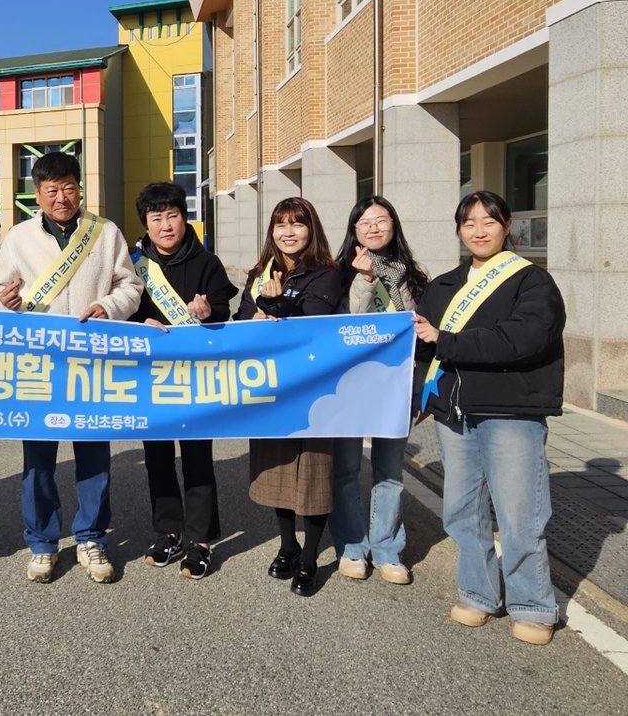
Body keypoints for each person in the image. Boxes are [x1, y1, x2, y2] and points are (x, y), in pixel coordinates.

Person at [413, 190, 565, 645]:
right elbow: (423, 349)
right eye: (469, 223)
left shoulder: (531, 281)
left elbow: (523, 338)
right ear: (459, 230)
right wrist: (421, 396)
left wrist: (447, 340)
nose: (479, 231)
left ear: (507, 226)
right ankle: (478, 593)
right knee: (463, 511)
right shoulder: (443, 286)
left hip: (510, 411)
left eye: (489, 221)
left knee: (521, 513)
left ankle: (533, 605)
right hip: (455, 414)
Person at [0, 151, 143, 584]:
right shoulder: (19, 237)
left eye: (69, 188)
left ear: (80, 190)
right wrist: (3, 301)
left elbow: (130, 284)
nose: (62, 198)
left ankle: (91, 536)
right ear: (37, 195)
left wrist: (109, 306)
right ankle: (42, 541)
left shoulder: (105, 232)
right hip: (39, 364)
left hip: (91, 363)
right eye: (52, 190)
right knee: (38, 456)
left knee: (93, 452)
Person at [130, 181, 237, 579]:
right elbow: (123, 308)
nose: (166, 225)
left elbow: (225, 313)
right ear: (145, 223)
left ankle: (201, 540)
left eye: (172, 216)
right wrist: (139, 321)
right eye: (156, 218)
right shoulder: (134, 265)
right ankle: (169, 532)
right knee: (157, 459)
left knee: (197, 458)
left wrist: (209, 313)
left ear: (184, 217)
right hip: (150, 378)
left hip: (195, 378)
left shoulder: (208, 262)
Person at [234, 196, 340, 596]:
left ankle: (310, 558)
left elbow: (314, 324)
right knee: (276, 467)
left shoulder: (326, 274)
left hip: (313, 389)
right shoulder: (259, 273)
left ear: (311, 229)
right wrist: (256, 315)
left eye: (297, 224)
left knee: (314, 472)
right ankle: (288, 546)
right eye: (281, 224)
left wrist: (276, 305)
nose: (288, 232)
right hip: (271, 387)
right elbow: (242, 321)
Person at [329, 196, 430, 585]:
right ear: (353, 230)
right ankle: (352, 545)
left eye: (381, 220)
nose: (373, 228)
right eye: (365, 222)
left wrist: (421, 390)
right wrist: (366, 279)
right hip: (350, 386)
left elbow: (420, 338)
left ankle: (388, 549)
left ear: (394, 225)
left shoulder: (411, 275)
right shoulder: (338, 272)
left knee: (390, 471)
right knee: (346, 468)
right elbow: (347, 327)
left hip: (395, 386)